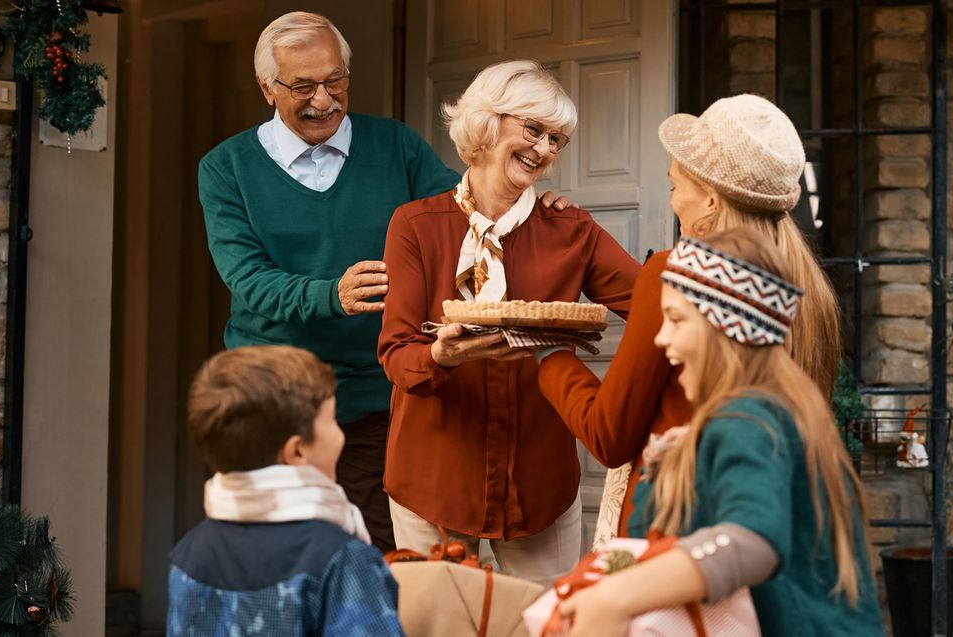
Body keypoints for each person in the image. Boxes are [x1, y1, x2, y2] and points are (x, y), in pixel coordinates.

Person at [197, 12, 568, 552]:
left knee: (377, 556)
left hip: (376, 393)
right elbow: (247, 277)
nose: (323, 100)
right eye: (302, 86)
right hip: (272, 399)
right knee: (276, 555)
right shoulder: (226, 167)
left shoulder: (396, 145)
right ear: (266, 88)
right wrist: (331, 295)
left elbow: (467, 210)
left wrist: (534, 206)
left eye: (334, 81)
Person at [377, 60, 641, 586]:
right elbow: (396, 354)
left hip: (539, 482)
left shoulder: (572, 229)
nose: (545, 149)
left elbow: (654, 306)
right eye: (533, 129)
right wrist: (440, 355)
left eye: (557, 140)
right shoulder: (415, 226)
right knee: (439, 627)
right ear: (487, 122)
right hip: (433, 475)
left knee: (549, 624)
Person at [537, 94, 842, 540]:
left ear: (712, 200)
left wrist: (548, 356)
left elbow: (608, 434)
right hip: (754, 525)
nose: (674, 200)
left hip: (674, 526)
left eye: (675, 186)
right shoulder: (809, 287)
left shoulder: (674, 272)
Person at [557, 230, 883, 636]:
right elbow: (652, 540)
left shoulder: (749, 419)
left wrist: (615, 597)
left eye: (676, 319)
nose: (661, 338)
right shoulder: (776, 410)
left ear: (725, 328)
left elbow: (751, 541)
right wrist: (659, 477)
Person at [167, 345, 404, 636]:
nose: (340, 433)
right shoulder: (342, 558)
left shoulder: (189, 552)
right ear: (297, 451)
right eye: (331, 419)